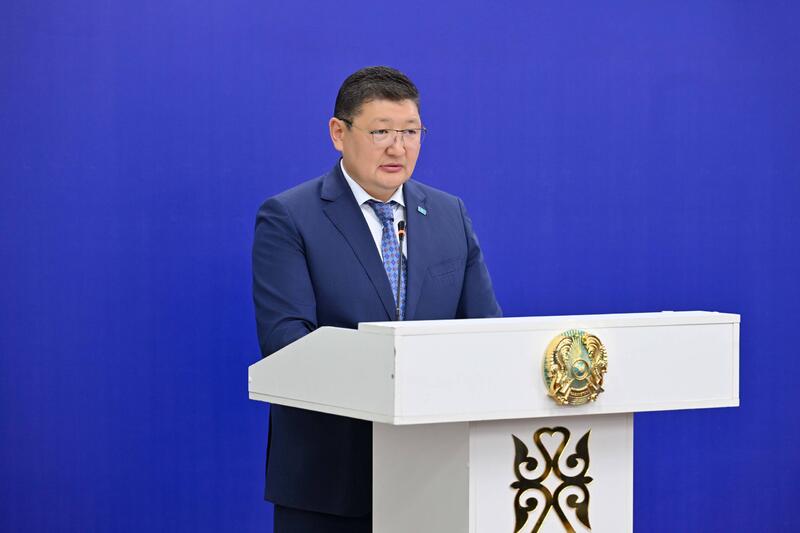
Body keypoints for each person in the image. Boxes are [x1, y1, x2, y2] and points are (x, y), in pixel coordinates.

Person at [252, 66, 501, 533]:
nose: (397, 148)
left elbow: (484, 332)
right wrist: (393, 370)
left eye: (411, 132)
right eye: (381, 131)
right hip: (330, 480)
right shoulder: (290, 217)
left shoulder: (449, 213)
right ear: (338, 133)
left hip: (438, 472)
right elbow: (286, 343)